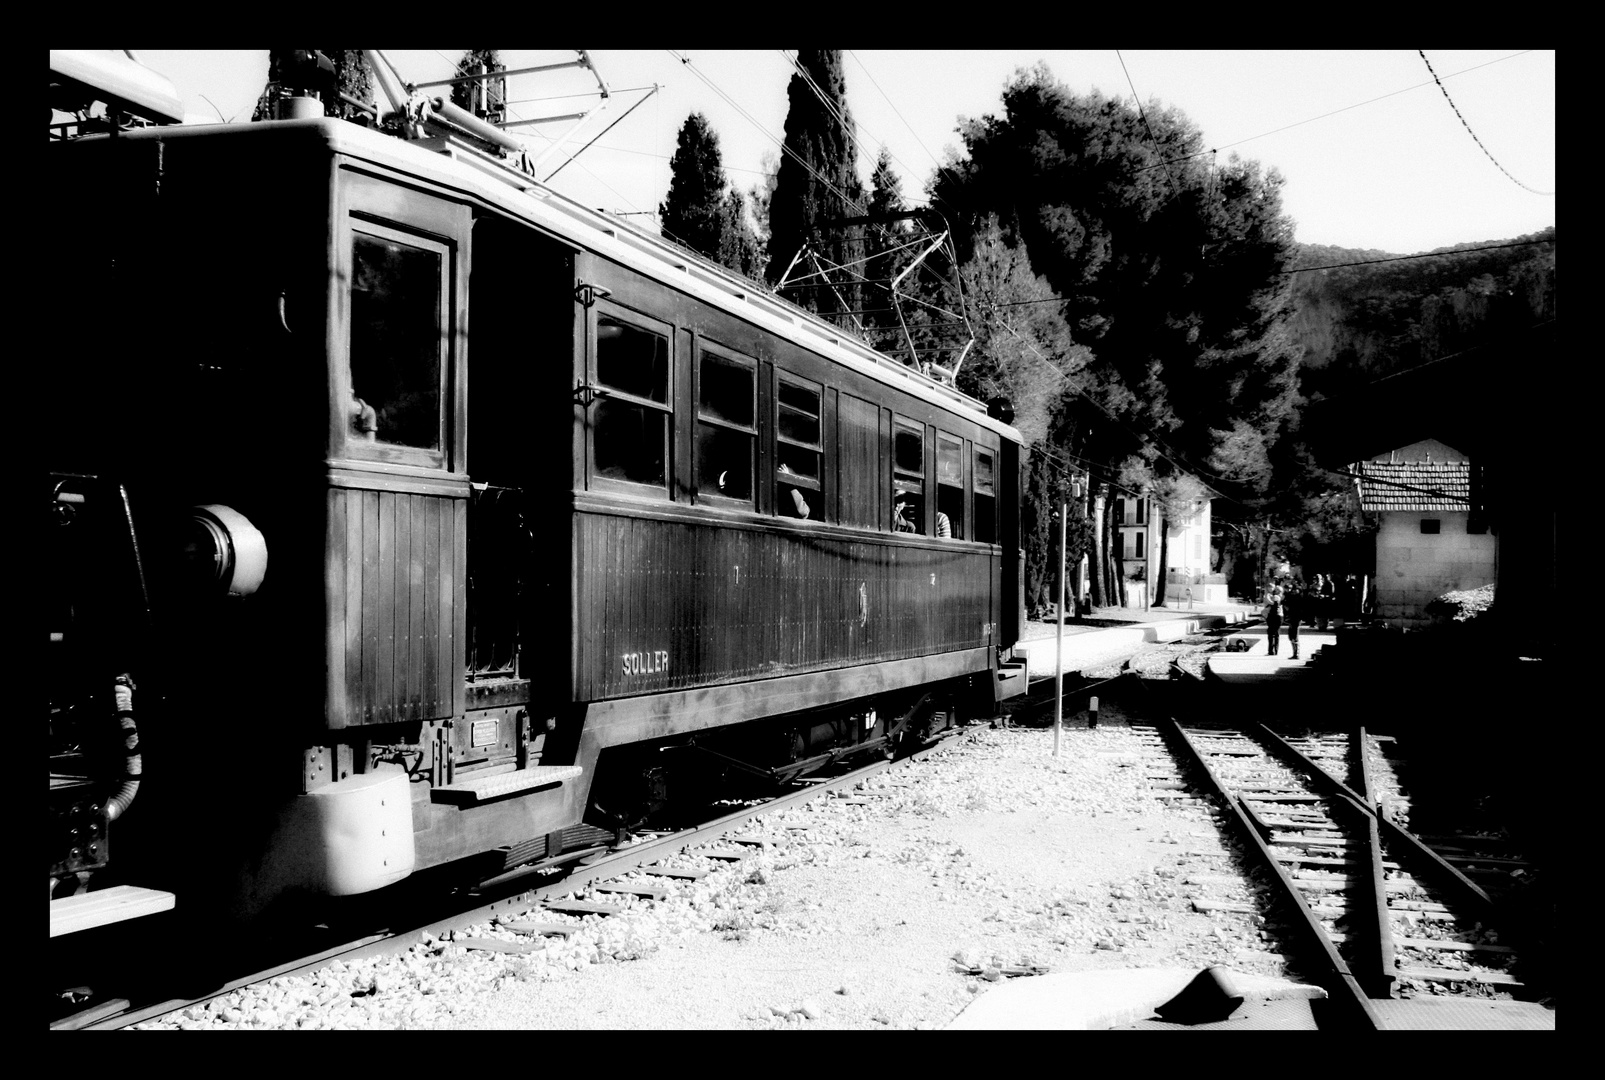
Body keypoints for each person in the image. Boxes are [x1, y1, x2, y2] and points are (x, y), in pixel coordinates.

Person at [1284, 580, 1304, 661]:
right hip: (1292, 618)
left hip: (1296, 618)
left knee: (1295, 636)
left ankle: (1296, 654)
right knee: (1291, 636)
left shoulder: (1299, 598)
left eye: (1296, 590)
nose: (1294, 591)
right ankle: (1294, 653)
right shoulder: (1291, 597)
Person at [1263, 585, 1283, 656]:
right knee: (1275, 634)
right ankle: (1274, 650)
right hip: (1277, 616)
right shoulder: (1279, 596)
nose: (1274, 590)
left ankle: (1271, 651)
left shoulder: (1276, 597)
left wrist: (1266, 595)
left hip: (1274, 616)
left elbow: (1270, 602)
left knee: (1271, 633)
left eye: (1276, 589)